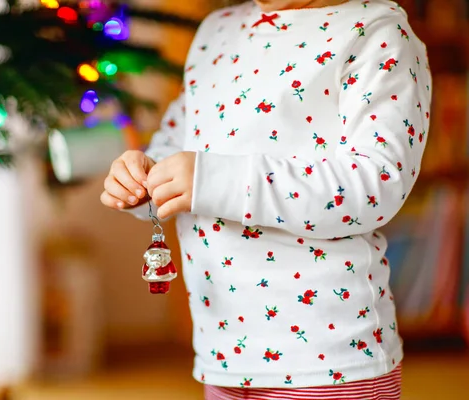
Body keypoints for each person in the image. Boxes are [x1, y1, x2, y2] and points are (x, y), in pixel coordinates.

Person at [101, 0, 431, 398]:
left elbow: (374, 184)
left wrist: (213, 180)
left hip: (329, 361)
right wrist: (142, 179)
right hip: (224, 355)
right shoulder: (216, 31)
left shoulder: (375, 32)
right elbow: (179, 149)